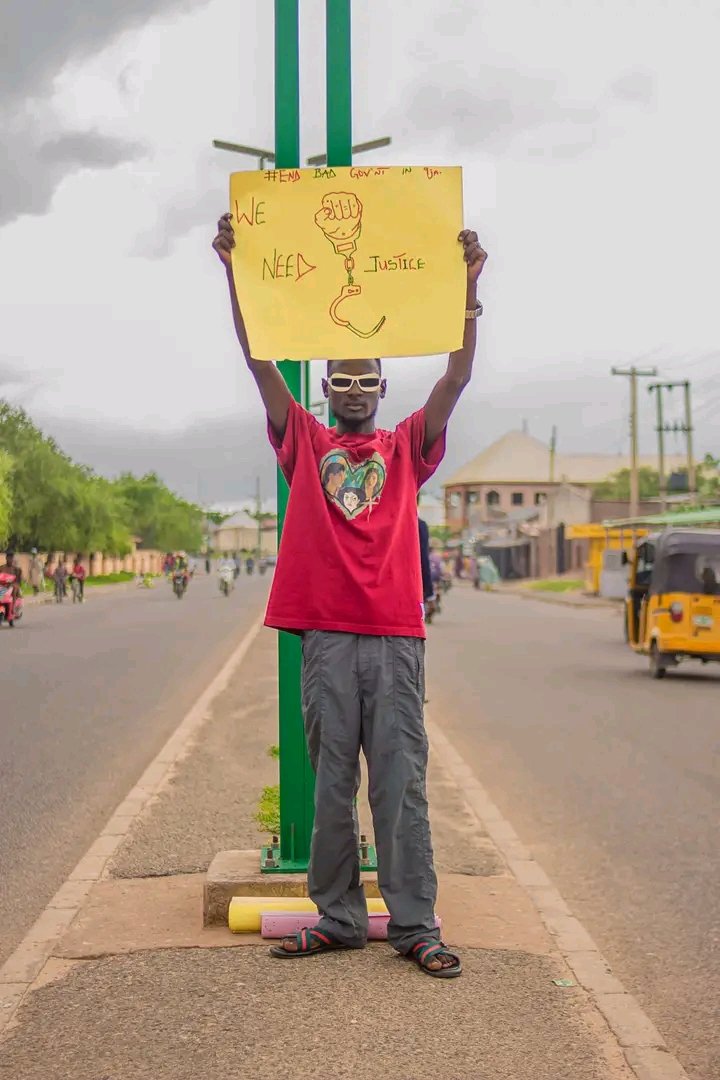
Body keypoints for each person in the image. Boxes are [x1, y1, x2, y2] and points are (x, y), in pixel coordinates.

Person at [212, 211, 487, 978]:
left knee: (400, 786)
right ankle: (337, 917)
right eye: (344, 379)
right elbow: (258, 360)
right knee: (332, 785)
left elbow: (456, 378)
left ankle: (414, 926)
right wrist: (235, 273)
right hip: (328, 641)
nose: (357, 389)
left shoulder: (406, 448)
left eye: (369, 380)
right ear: (326, 387)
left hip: (396, 640)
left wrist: (467, 292)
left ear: (383, 389)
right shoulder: (304, 441)